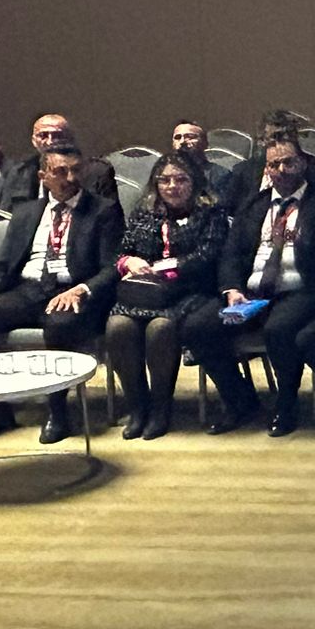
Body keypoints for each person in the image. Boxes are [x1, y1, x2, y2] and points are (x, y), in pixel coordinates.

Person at [180, 137, 315, 439]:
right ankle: (240, 400)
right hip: (252, 294)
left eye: (289, 162)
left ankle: (286, 404)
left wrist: (297, 235)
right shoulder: (254, 204)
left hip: (303, 289)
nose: (282, 170)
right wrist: (231, 288)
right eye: (274, 164)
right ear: (267, 169)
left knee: (279, 329)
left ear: (303, 164)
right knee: (197, 327)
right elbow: (231, 254)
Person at [0, 147, 124, 444]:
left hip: (73, 290)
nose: (70, 178)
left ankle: (58, 412)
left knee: (60, 324)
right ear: (43, 176)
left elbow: (112, 266)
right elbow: (3, 262)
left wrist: (81, 289)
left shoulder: (103, 210)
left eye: (75, 170)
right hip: (27, 290)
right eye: (60, 172)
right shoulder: (27, 212)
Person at [106, 155, 228, 440]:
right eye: (165, 180)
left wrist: (168, 269)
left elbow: (207, 255)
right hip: (144, 292)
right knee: (118, 327)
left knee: (160, 329)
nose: (172, 186)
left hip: (189, 290)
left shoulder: (210, 212)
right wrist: (129, 262)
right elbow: (122, 251)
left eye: (181, 179)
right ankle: (138, 407)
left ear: (194, 182)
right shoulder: (144, 211)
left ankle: (161, 409)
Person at [221, 111, 315, 209]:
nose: (279, 142)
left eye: (284, 135)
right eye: (274, 137)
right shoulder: (244, 172)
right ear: (262, 141)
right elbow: (227, 210)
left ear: (295, 137)